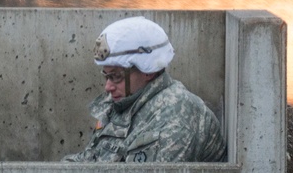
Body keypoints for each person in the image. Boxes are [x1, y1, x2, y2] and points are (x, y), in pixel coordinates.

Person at [63, 16, 225, 163]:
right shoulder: (128, 101)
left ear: (148, 71)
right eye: (106, 76)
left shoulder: (174, 121)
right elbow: (90, 159)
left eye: (116, 76)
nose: (108, 87)